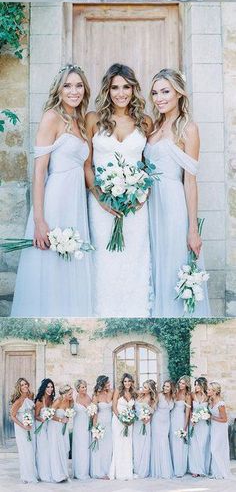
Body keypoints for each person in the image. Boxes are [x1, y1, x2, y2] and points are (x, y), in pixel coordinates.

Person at [11, 65, 93, 317]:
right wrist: (39, 220)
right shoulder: (51, 117)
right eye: (68, 85)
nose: (74, 91)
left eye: (79, 85)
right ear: (59, 89)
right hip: (55, 200)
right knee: (50, 261)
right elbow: (39, 172)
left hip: (76, 202)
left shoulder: (80, 121)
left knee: (71, 261)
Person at [85, 63, 153, 317]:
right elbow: (87, 164)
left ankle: (136, 314)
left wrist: (141, 195)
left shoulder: (145, 122)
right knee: (104, 260)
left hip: (136, 206)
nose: (120, 93)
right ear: (107, 89)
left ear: (134, 89)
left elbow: (148, 166)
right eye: (115, 87)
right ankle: (103, 315)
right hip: (101, 205)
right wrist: (100, 196)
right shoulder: (93, 119)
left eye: (126, 87)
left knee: (134, 259)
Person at [145, 68, 210, 317]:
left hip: (172, 205)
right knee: (154, 265)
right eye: (155, 93)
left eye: (165, 92)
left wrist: (192, 228)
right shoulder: (153, 126)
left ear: (179, 94)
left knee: (174, 263)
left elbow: (190, 181)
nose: (159, 98)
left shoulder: (188, 128)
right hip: (150, 206)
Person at [10, 378, 38, 484]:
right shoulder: (18, 401)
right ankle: (27, 476)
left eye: (26, 384)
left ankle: (33, 473)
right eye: (22, 385)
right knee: (26, 451)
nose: (25, 386)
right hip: (22, 429)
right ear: (19, 387)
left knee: (33, 450)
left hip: (31, 426)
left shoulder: (30, 396)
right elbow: (12, 416)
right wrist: (23, 426)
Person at [110, 374, 136, 480]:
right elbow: (114, 407)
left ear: (132, 382)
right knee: (119, 444)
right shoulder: (118, 391)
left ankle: (127, 471)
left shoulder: (133, 393)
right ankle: (118, 471)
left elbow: (133, 408)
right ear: (122, 382)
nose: (127, 383)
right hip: (118, 421)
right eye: (125, 381)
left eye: (129, 381)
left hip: (129, 423)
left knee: (127, 445)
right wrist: (121, 418)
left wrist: (130, 419)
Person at [48, 384, 74, 483]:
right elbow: (50, 415)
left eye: (72, 393)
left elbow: (69, 414)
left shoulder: (71, 401)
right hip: (55, 427)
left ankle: (64, 472)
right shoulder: (58, 401)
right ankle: (57, 474)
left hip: (64, 428)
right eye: (70, 393)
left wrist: (68, 417)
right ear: (64, 394)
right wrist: (60, 419)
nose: (72, 395)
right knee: (56, 449)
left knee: (64, 449)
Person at [90, 376, 113, 479]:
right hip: (100, 424)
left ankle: (108, 470)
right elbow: (94, 413)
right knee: (101, 448)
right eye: (107, 382)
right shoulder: (96, 395)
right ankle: (100, 472)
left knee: (109, 448)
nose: (109, 384)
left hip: (110, 425)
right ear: (102, 383)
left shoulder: (111, 393)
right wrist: (95, 429)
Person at [150, 380, 174, 478]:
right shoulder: (159, 395)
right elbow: (152, 407)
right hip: (157, 421)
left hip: (166, 422)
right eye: (164, 386)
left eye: (167, 386)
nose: (165, 388)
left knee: (165, 443)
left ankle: (166, 469)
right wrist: (146, 416)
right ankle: (158, 470)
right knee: (158, 443)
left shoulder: (173, 397)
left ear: (171, 388)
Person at [208, 382, 231, 479]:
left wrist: (211, 417)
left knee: (215, 449)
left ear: (214, 391)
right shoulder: (211, 400)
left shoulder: (220, 404)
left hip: (220, 428)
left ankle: (224, 472)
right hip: (214, 427)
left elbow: (225, 419)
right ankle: (216, 473)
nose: (207, 391)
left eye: (209, 390)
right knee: (216, 449)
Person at [188, 377, 210, 477]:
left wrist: (207, 415)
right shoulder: (192, 395)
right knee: (194, 446)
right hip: (194, 424)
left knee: (203, 445)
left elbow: (210, 410)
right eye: (195, 384)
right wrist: (192, 418)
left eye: (198, 384)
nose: (196, 387)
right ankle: (195, 469)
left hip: (204, 425)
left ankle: (203, 468)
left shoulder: (208, 396)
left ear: (203, 385)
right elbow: (190, 409)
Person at [170, 376, 191, 477]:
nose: (181, 385)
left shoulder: (187, 395)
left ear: (187, 384)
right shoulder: (175, 392)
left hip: (180, 419)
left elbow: (187, 413)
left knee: (179, 443)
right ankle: (173, 467)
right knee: (172, 442)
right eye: (180, 383)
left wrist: (185, 427)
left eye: (183, 383)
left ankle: (180, 469)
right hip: (172, 419)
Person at [35, 378, 55, 482]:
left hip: (49, 427)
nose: (50, 389)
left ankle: (50, 471)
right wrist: (43, 419)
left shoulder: (51, 399)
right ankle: (43, 474)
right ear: (44, 388)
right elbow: (36, 416)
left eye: (51, 387)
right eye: (48, 387)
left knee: (49, 449)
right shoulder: (39, 400)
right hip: (41, 427)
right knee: (43, 450)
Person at [133, 380, 154, 477]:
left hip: (144, 424)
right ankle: (136, 469)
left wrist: (147, 417)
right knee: (136, 446)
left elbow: (152, 411)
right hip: (136, 423)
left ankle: (143, 470)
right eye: (143, 386)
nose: (143, 389)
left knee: (144, 446)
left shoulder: (150, 399)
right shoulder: (139, 395)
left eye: (146, 387)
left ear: (150, 390)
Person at [72, 379, 91, 480]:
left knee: (85, 447)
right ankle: (78, 471)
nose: (85, 388)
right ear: (78, 389)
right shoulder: (74, 398)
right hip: (78, 425)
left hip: (86, 425)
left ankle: (84, 471)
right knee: (79, 446)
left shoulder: (88, 397)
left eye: (85, 386)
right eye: (83, 387)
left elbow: (92, 411)